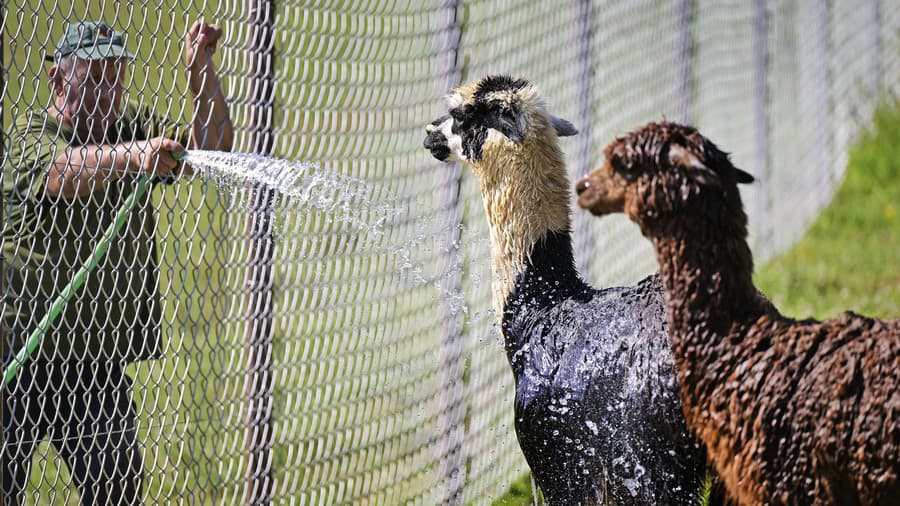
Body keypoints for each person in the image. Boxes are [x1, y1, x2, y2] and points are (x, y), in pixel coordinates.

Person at [1, 20, 233, 505]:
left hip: (94, 363)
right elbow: (63, 174)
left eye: (118, 78)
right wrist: (135, 157)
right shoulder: (30, 133)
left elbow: (213, 148)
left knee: (118, 488)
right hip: (20, 351)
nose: (111, 93)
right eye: (97, 79)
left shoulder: (129, 129)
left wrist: (200, 71)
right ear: (59, 81)